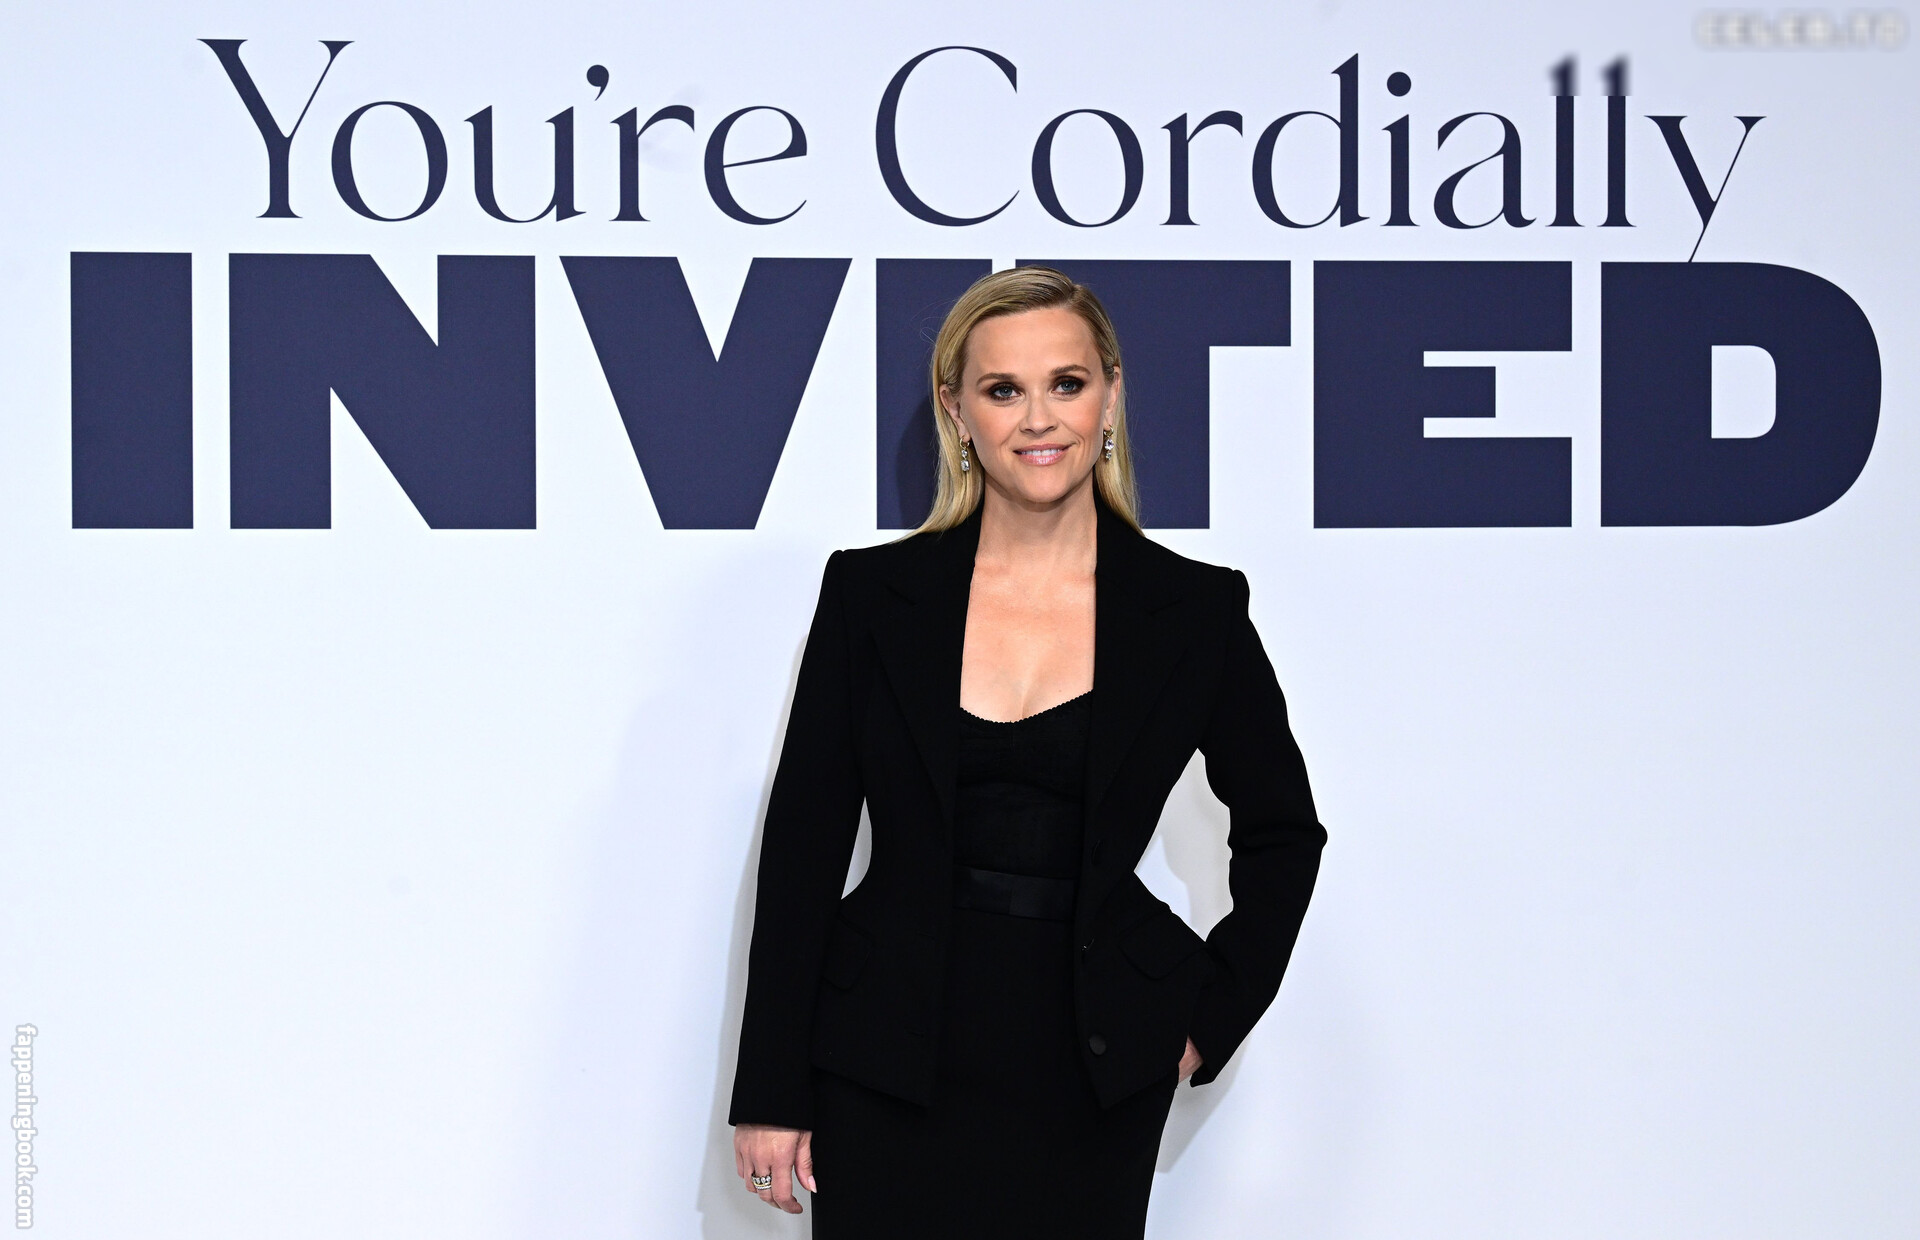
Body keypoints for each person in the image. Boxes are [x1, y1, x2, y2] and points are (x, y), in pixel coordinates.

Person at [728, 266, 1325, 1237]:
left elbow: (1283, 833)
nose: (1039, 418)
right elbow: (804, 847)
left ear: (1110, 397)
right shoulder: (871, 597)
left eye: (1067, 383)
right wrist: (770, 1087)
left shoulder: (1194, 611)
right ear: (955, 410)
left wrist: (1206, 1020)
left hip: (1094, 1072)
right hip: (883, 1063)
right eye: (1003, 389)